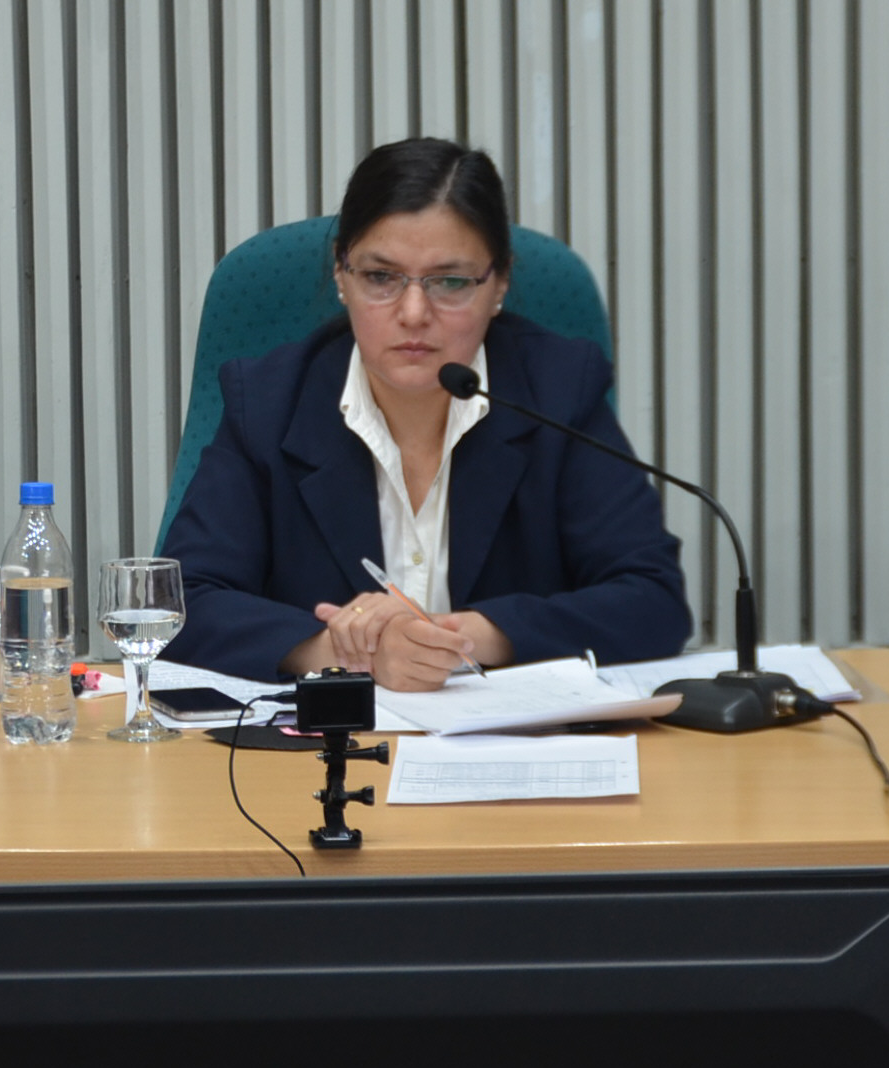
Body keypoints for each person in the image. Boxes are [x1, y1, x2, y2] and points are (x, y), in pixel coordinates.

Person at [160, 136, 692, 690]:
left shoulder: (558, 391)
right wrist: (345, 651)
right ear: (341, 274)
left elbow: (651, 600)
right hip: (319, 758)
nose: (414, 314)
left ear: (500, 283)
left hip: (513, 751)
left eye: (451, 282)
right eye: (381, 278)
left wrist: (466, 637)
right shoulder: (267, 402)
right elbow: (180, 606)